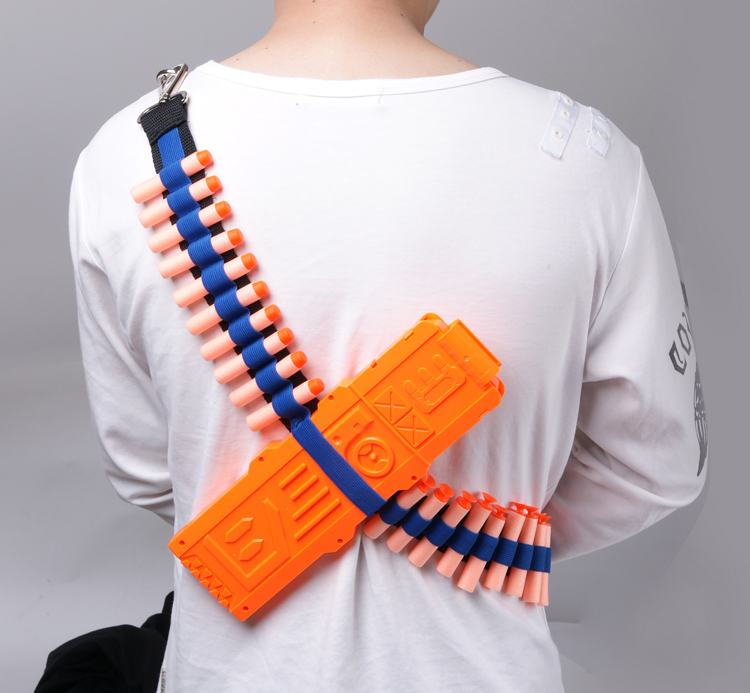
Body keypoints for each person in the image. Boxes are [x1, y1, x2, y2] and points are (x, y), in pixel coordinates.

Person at [69, 1, 707, 690]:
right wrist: (497, 523)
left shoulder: (124, 152)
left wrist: (303, 503)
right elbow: (657, 467)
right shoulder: (589, 159)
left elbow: (145, 469)